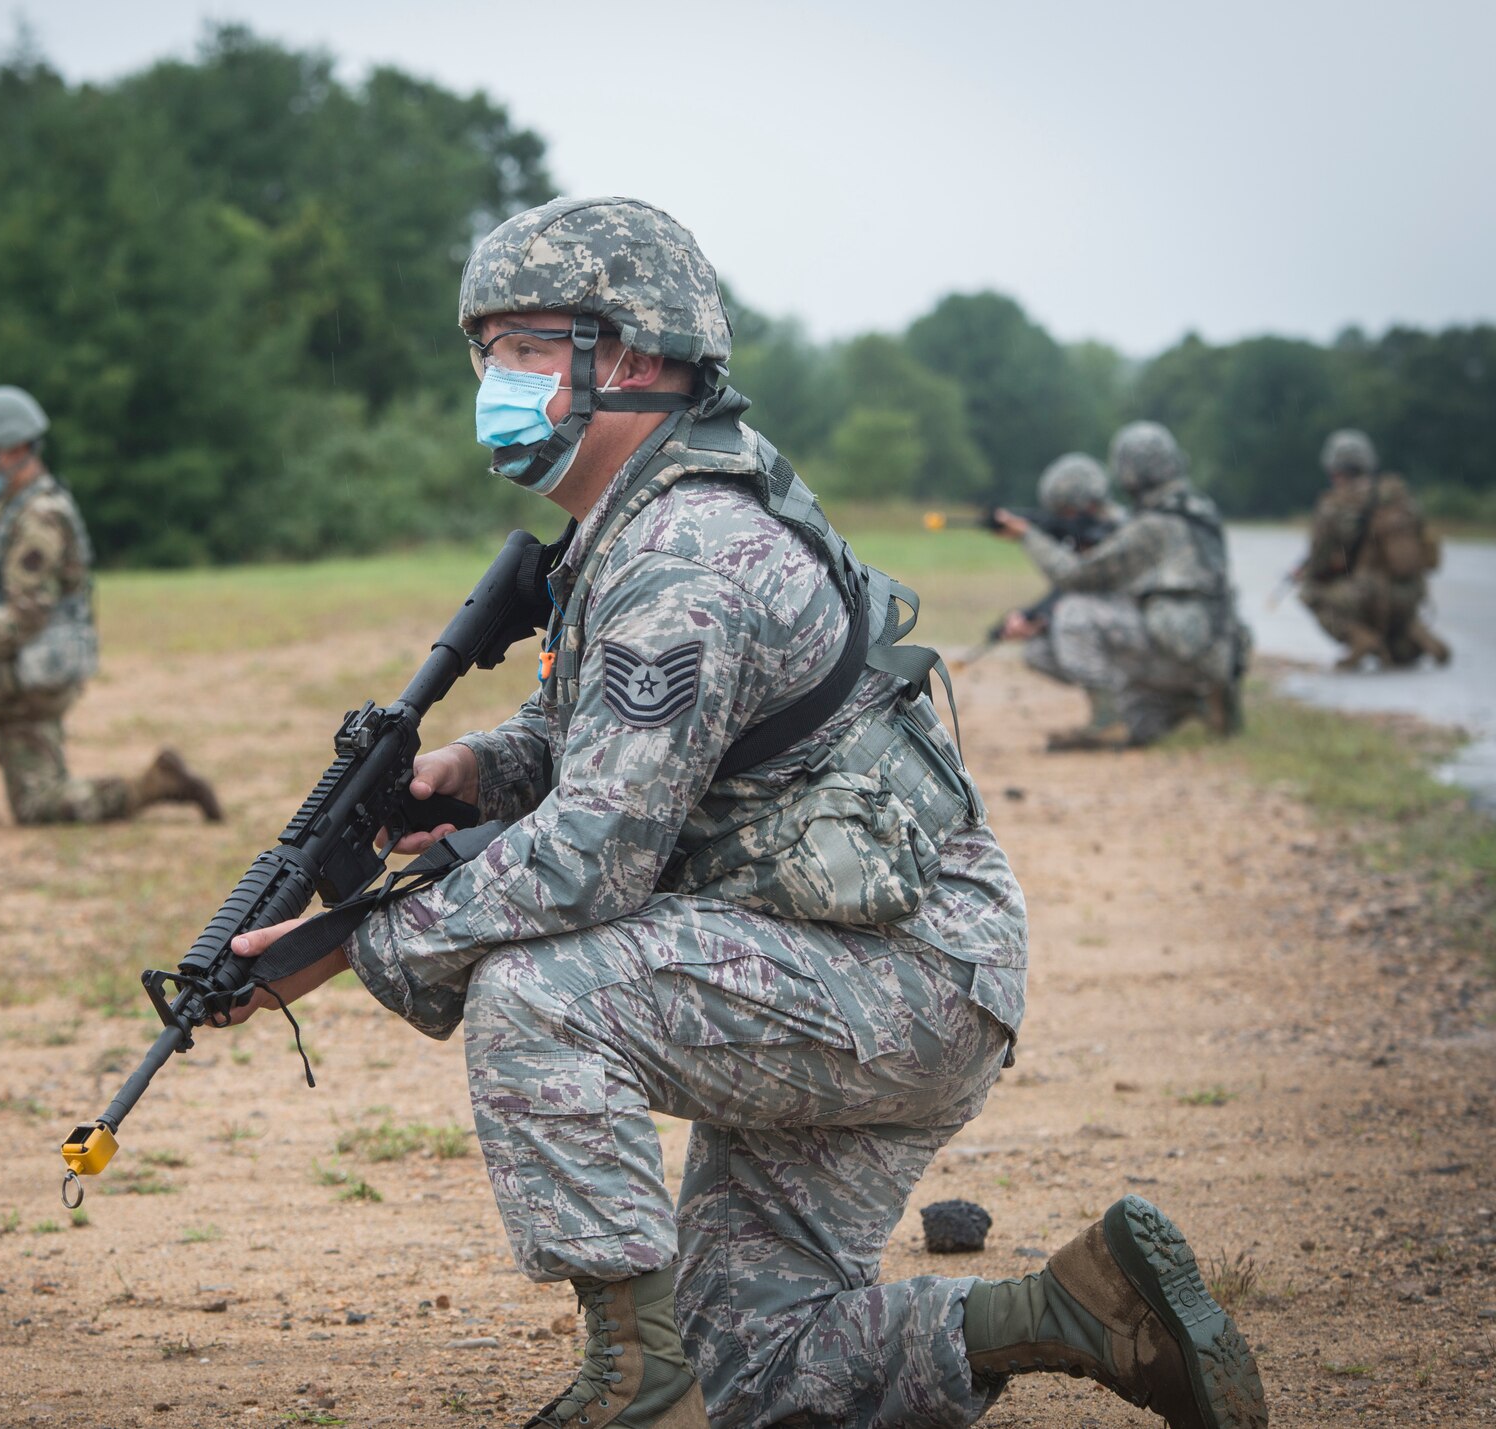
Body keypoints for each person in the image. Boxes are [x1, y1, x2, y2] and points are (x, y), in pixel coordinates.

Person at [223, 199, 1265, 1429]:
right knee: (760, 1367)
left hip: (890, 975)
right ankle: (1073, 1313)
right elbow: (615, 744)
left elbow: (588, 867)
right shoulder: (648, 521)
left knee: (537, 995)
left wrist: (346, 940)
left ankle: (633, 1388)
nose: (490, 380)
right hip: (856, 963)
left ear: (632, 357)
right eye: (481, 351)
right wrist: (481, 766)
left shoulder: (684, 553)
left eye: (519, 347)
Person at [0, 385, 223, 829]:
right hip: (33, 669)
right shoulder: (14, 508)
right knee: (41, 806)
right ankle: (157, 784)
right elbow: (2, 596)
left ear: (14, 447)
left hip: (29, 671)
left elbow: (23, 619)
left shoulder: (38, 516)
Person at [992, 422, 1247, 751]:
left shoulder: (1152, 526)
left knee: (1074, 612)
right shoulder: (1198, 510)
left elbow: (1077, 576)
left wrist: (1027, 536)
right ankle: (1192, 703)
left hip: (1180, 652)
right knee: (1140, 727)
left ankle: (1106, 722)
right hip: (1216, 650)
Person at [1296, 429, 1448, 669]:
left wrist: (1309, 574)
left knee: (1309, 593)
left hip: (1369, 597)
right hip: (1412, 593)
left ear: (1335, 469)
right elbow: (1427, 546)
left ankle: (1360, 638)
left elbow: (1319, 563)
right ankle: (1413, 633)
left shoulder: (1335, 504)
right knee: (1400, 655)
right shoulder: (1399, 495)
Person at [989, 452, 1123, 654]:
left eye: (1067, 512)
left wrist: (1027, 535)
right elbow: (1071, 589)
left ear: (1090, 506)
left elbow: (1079, 581)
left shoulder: (1116, 534)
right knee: (1038, 650)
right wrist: (1032, 617)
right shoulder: (1107, 528)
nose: (1066, 521)